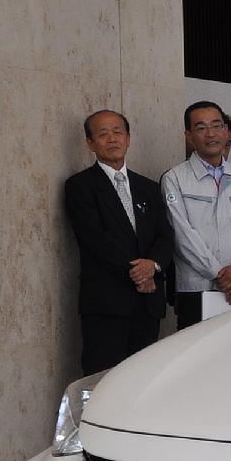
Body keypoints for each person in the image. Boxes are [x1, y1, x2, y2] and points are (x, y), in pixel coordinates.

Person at [63, 110, 172, 374]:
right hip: (106, 303)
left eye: (117, 132)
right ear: (90, 143)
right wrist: (138, 272)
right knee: (102, 380)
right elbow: (95, 239)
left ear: (128, 138)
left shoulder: (147, 186)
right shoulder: (80, 186)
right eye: (102, 134)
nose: (112, 139)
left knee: (143, 379)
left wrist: (153, 266)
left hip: (147, 305)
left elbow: (165, 235)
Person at [161, 100, 231, 328]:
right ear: (189, 135)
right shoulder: (174, 179)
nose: (211, 134)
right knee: (198, 355)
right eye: (201, 128)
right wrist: (219, 274)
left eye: (217, 126)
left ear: (227, 132)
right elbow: (182, 235)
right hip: (197, 288)